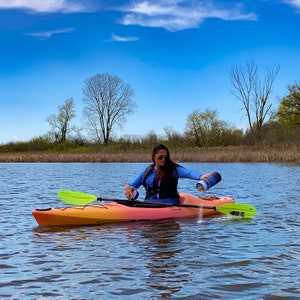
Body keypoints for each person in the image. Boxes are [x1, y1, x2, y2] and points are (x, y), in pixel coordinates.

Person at [124, 143, 212, 205]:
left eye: (166, 157)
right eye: (160, 157)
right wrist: (127, 188)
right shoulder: (148, 171)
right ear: (154, 156)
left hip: (169, 204)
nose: (163, 160)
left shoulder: (173, 170)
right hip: (149, 203)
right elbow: (132, 185)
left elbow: (188, 173)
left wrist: (200, 176)